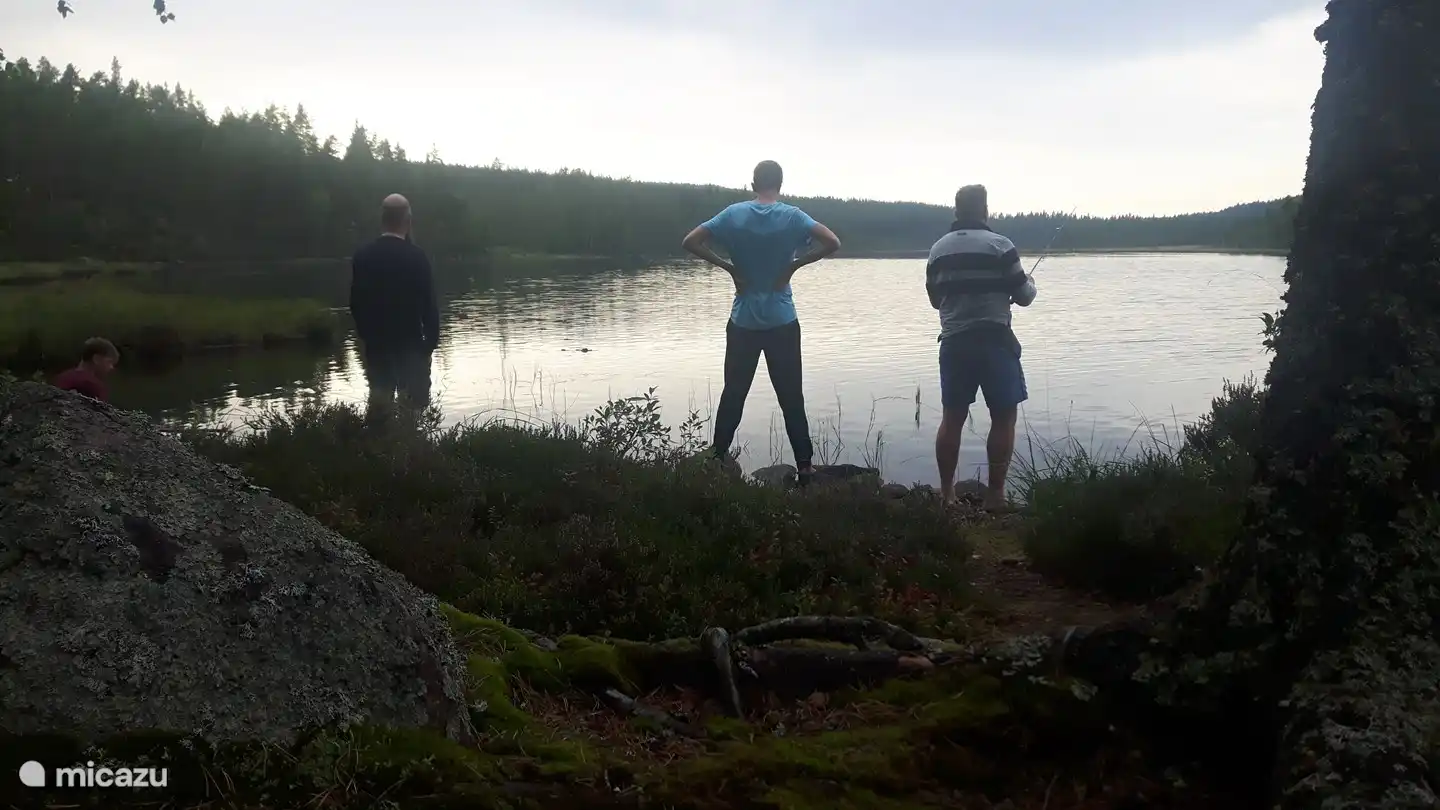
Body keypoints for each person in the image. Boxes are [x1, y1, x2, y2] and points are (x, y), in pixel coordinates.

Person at [681, 160, 841, 478]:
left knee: (734, 392)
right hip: (782, 321)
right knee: (791, 395)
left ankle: (717, 457)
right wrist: (794, 265)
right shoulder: (793, 216)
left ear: (753, 183)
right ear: (780, 184)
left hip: (743, 323)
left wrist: (728, 266)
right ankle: (805, 466)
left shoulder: (732, 215)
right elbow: (832, 242)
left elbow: (690, 242)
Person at [925, 184, 1037, 510]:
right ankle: (996, 495)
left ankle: (947, 494)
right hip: (995, 342)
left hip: (954, 343)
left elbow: (935, 301)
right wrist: (1027, 284)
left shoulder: (938, 251)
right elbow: (1025, 296)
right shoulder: (1001, 246)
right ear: (985, 209)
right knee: (1003, 417)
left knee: (952, 418)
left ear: (957, 210)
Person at [349, 193, 440, 413]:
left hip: (377, 347)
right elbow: (429, 306)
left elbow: (355, 303)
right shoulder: (417, 256)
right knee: (414, 411)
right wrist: (429, 345)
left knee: (380, 408)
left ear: (382, 220)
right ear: (408, 221)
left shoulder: (363, 256)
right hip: (412, 347)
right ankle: (412, 446)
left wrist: (367, 336)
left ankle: (379, 445)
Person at [51, 337, 120, 402]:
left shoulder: (62, 377)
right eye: (109, 362)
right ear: (96, 359)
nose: (111, 367)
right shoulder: (94, 386)